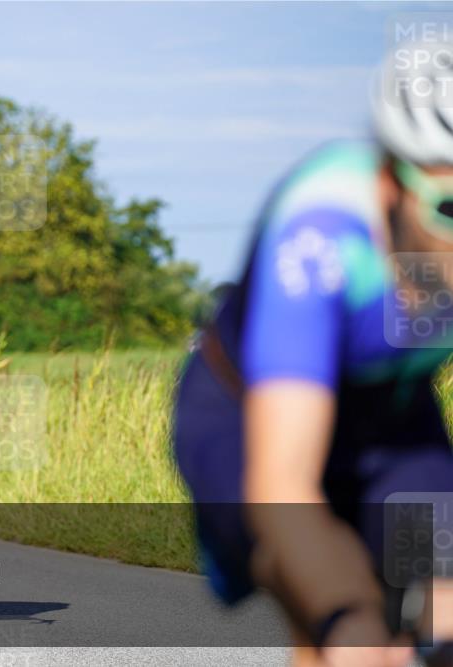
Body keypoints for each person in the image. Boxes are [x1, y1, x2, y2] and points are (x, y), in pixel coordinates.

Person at [173, 41, 453, 667]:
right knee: (347, 623)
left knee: (443, 610)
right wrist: (343, 620)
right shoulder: (319, 239)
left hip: (391, 414)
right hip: (247, 411)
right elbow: (285, 484)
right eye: (449, 210)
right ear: (390, 185)